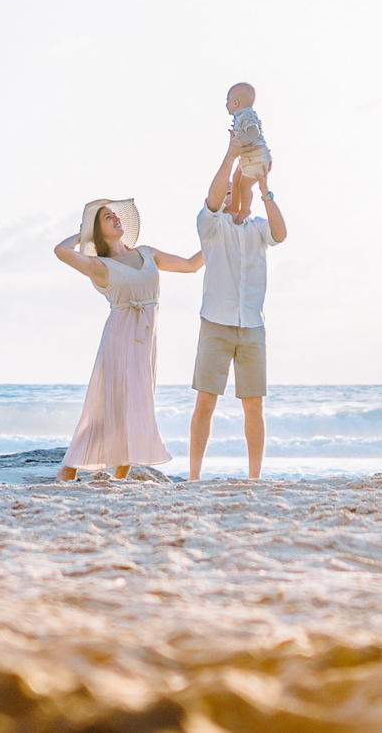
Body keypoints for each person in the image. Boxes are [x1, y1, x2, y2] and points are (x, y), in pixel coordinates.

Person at [52, 198, 203, 481]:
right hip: (120, 339)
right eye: (107, 217)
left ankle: (120, 477)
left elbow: (191, 265)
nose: (116, 218)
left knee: (138, 404)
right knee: (110, 405)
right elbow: (61, 251)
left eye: (115, 215)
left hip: (145, 340)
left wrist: (218, 237)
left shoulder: (147, 253)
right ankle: (68, 469)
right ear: (97, 231)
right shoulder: (99, 265)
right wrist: (83, 234)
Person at [190, 135, 286, 479]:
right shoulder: (211, 227)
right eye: (227, 192)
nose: (232, 194)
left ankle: (254, 478)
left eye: (236, 191)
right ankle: (194, 477)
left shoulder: (257, 229)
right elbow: (216, 196)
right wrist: (232, 155)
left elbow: (281, 234)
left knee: (254, 404)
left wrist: (264, 188)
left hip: (253, 326)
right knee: (206, 401)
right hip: (216, 323)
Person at [224, 81, 272, 182]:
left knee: (244, 185)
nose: (226, 104)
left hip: (256, 156)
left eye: (227, 100)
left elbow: (254, 131)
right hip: (252, 157)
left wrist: (240, 141)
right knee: (238, 181)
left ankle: (248, 194)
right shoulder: (241, 116)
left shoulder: (245, 115)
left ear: (235, 103)